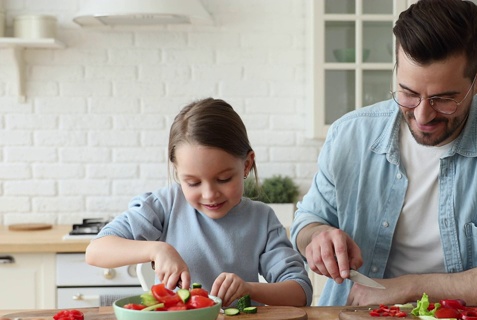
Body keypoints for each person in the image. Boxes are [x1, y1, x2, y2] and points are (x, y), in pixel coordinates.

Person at [291, 0, 477, 308]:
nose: (423, 116)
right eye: (408, 93)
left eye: (444, 99)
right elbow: (307, 221)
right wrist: (318, 237)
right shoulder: (349, 134)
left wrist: (410, 288)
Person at [85, 98, 312, 307]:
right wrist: (157, 249)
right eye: (192, 182)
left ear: (246, 165)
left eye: (223, 179)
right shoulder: (164, 206)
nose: (209, 194)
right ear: (178, 171)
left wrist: (249, 288)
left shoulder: (261, 219)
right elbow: (96, 251)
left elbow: (300, 292)